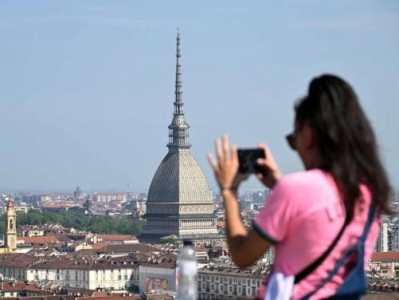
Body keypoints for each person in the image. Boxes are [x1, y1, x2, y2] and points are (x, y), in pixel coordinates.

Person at [208, 74, 392, 299]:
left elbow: (242, 255)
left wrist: (229, 191)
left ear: (310, 134)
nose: (296, 149)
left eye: (293, 139)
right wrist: (279, 185)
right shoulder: (371, 193)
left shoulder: (295, 189)